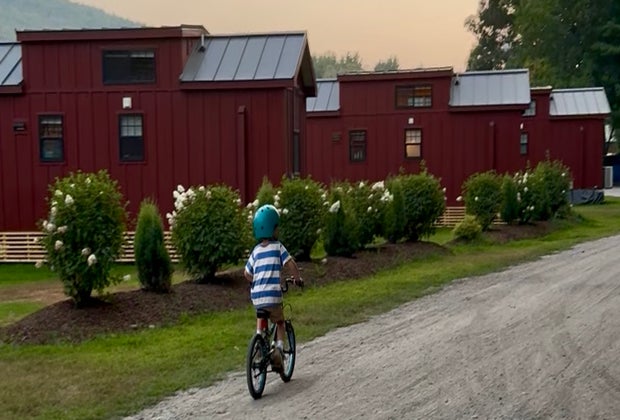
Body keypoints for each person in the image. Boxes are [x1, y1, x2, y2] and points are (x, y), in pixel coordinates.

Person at [244, 204, 302, 371]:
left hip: (257, 296)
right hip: (273, 296)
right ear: (273, 228)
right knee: (280, 322)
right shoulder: (278, 247)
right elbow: (291, 264)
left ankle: (259, 341)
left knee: (261, 315)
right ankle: (278, 349)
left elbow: (246, 274)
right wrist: (297, 279)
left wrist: (256, 280)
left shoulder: (255, 251)